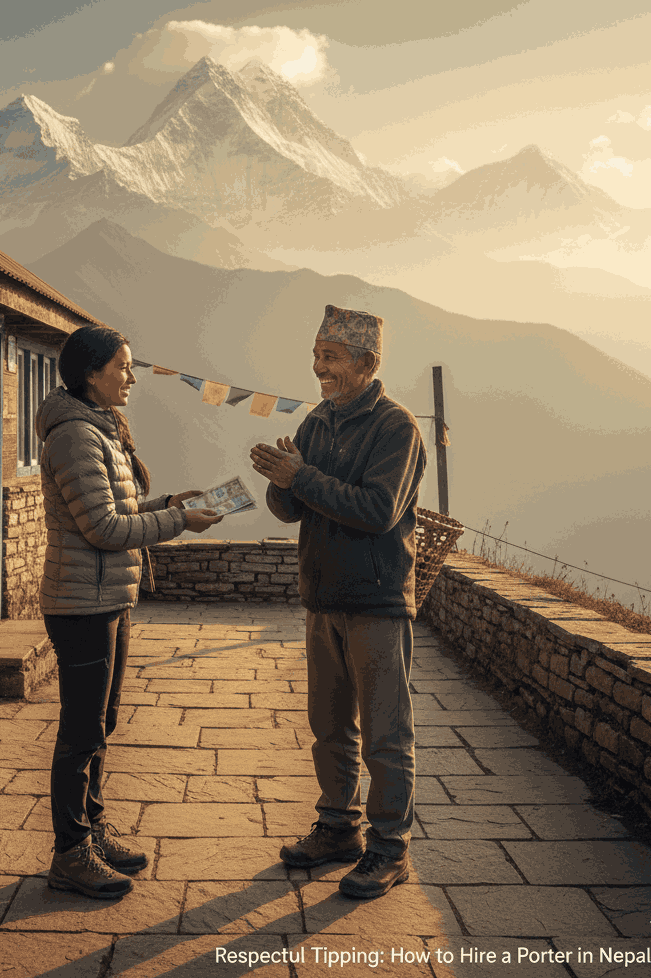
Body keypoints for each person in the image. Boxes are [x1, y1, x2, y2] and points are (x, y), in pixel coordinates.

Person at [36, 325, 223, 899]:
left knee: (102, 724)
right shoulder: (74, 436)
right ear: (91, 374)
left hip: (109, 598)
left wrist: (166, 504)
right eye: (124, 367)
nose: (133, 378)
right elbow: (104, 528)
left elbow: (116, 507)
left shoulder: (100, 431)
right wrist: (178, 524)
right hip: (82, 604)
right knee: (80, 731)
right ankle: (69, 852)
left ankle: (91, 826)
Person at [249, 304, 427, 900]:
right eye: (317, 354)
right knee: (329, 728)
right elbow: (295, 510)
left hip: (377, 602)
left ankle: (388, 848)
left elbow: (378, 511)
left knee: (384, 735)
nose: (319, 367)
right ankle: (337, 828)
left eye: (332, 357)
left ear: (368, 362)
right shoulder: (317, 423)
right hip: (322, 598)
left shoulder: (396, 428)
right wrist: (282, 481)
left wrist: (300, 477)